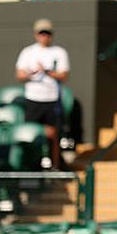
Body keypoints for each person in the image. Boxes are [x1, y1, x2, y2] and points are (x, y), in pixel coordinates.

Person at [15, 18, 69, 170]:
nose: (44, 36)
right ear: (36, 34)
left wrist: (47, 71)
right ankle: (32, 168)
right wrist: (31, 73)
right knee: (31, 136)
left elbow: (64, 76)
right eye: (41, 33)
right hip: (33, 100)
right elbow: (19, 75)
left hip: (52, 100)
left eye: (47, 33)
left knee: (54, 136)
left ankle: (55, 167)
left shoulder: (59, 52)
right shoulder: (28, 52)